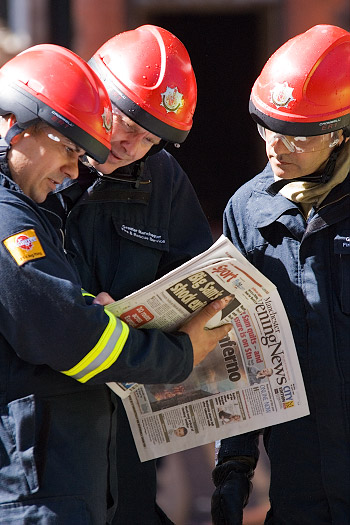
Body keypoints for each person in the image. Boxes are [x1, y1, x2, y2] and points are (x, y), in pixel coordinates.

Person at [0, 43, 231, 524]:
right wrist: (172, 353)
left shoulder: (162, 182)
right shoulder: (18, 201)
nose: (131, 148)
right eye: (126, 126)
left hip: (116, 448)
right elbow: (58, 324)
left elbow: (198, 282)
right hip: (36, 458)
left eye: (152, 140)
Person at [211, 24, 350, 524]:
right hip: (299, 489)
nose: (275, 147)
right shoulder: (248, 212)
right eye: (267, 129)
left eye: (296, 137)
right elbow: (240, 349)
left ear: (340, 136)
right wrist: (234, 465)